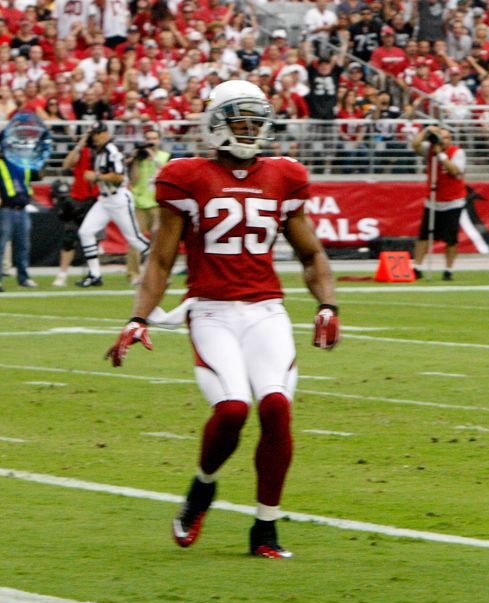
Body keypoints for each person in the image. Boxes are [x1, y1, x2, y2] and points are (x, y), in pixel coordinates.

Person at [104, 80, 340, 560]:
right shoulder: (185, 176)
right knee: (233, 409)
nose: (251, 129)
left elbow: (311, 253)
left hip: (266, 311)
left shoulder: (284, 176)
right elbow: (162, 261)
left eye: (257, 119)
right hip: (210, 310)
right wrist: (138, 317)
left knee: (275, 406)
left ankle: (265, 528)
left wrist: (327, 305)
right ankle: (203, 488)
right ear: (215, 124)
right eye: (240, 119)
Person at [75, 122, 151, 287]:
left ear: (105, 134)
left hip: (118, 199)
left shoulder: (111, 150)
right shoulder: (100, 151)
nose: (95, 137)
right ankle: (95, 274)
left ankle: (159, 269)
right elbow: (80, 148)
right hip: (104, 200)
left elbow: (119, 177)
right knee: (85, 232)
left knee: (135, 238)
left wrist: (96, 177)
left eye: (98, 133)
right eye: (93, 134)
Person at [410, 124, 465, 281]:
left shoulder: (457, 152)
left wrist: (441, 154)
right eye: (442, 136)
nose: (443, 140)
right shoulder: (430, 149)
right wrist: (426, 132)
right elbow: (415, 145)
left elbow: (454, 171)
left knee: (451, 238)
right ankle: (417, 267)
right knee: (424, 236)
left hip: (453, 201)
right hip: (433, 200)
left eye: (447, 137)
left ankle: (448, 269)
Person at [52, 126, 102, 288]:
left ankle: (94, 273)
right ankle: (62, 273)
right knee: (69, 238)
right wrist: (80, 144)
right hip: (77, 199)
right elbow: (67, 164)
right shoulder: (83, 151)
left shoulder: (103, 153)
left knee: (94, 239)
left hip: (95, 199)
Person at [0, 124, 40, 291]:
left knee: (23, 246)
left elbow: (36, 176)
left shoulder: (22, 162)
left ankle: (23, 277)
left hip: (22, 207)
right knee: (1, 246)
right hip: (6, 208)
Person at [129, 128, 170, 286]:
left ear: (159, 140)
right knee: (134, 241)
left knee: (159, 242)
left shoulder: (164, 157)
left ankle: (157, 273)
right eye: (148, 139)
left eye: (154, 138)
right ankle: (133, 274)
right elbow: (134, 179)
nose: (151, 142)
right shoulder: (139, 158)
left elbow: (166, 173)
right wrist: (134, 160)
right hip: (140, 203)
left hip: (157, 203)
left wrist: (153, 158)